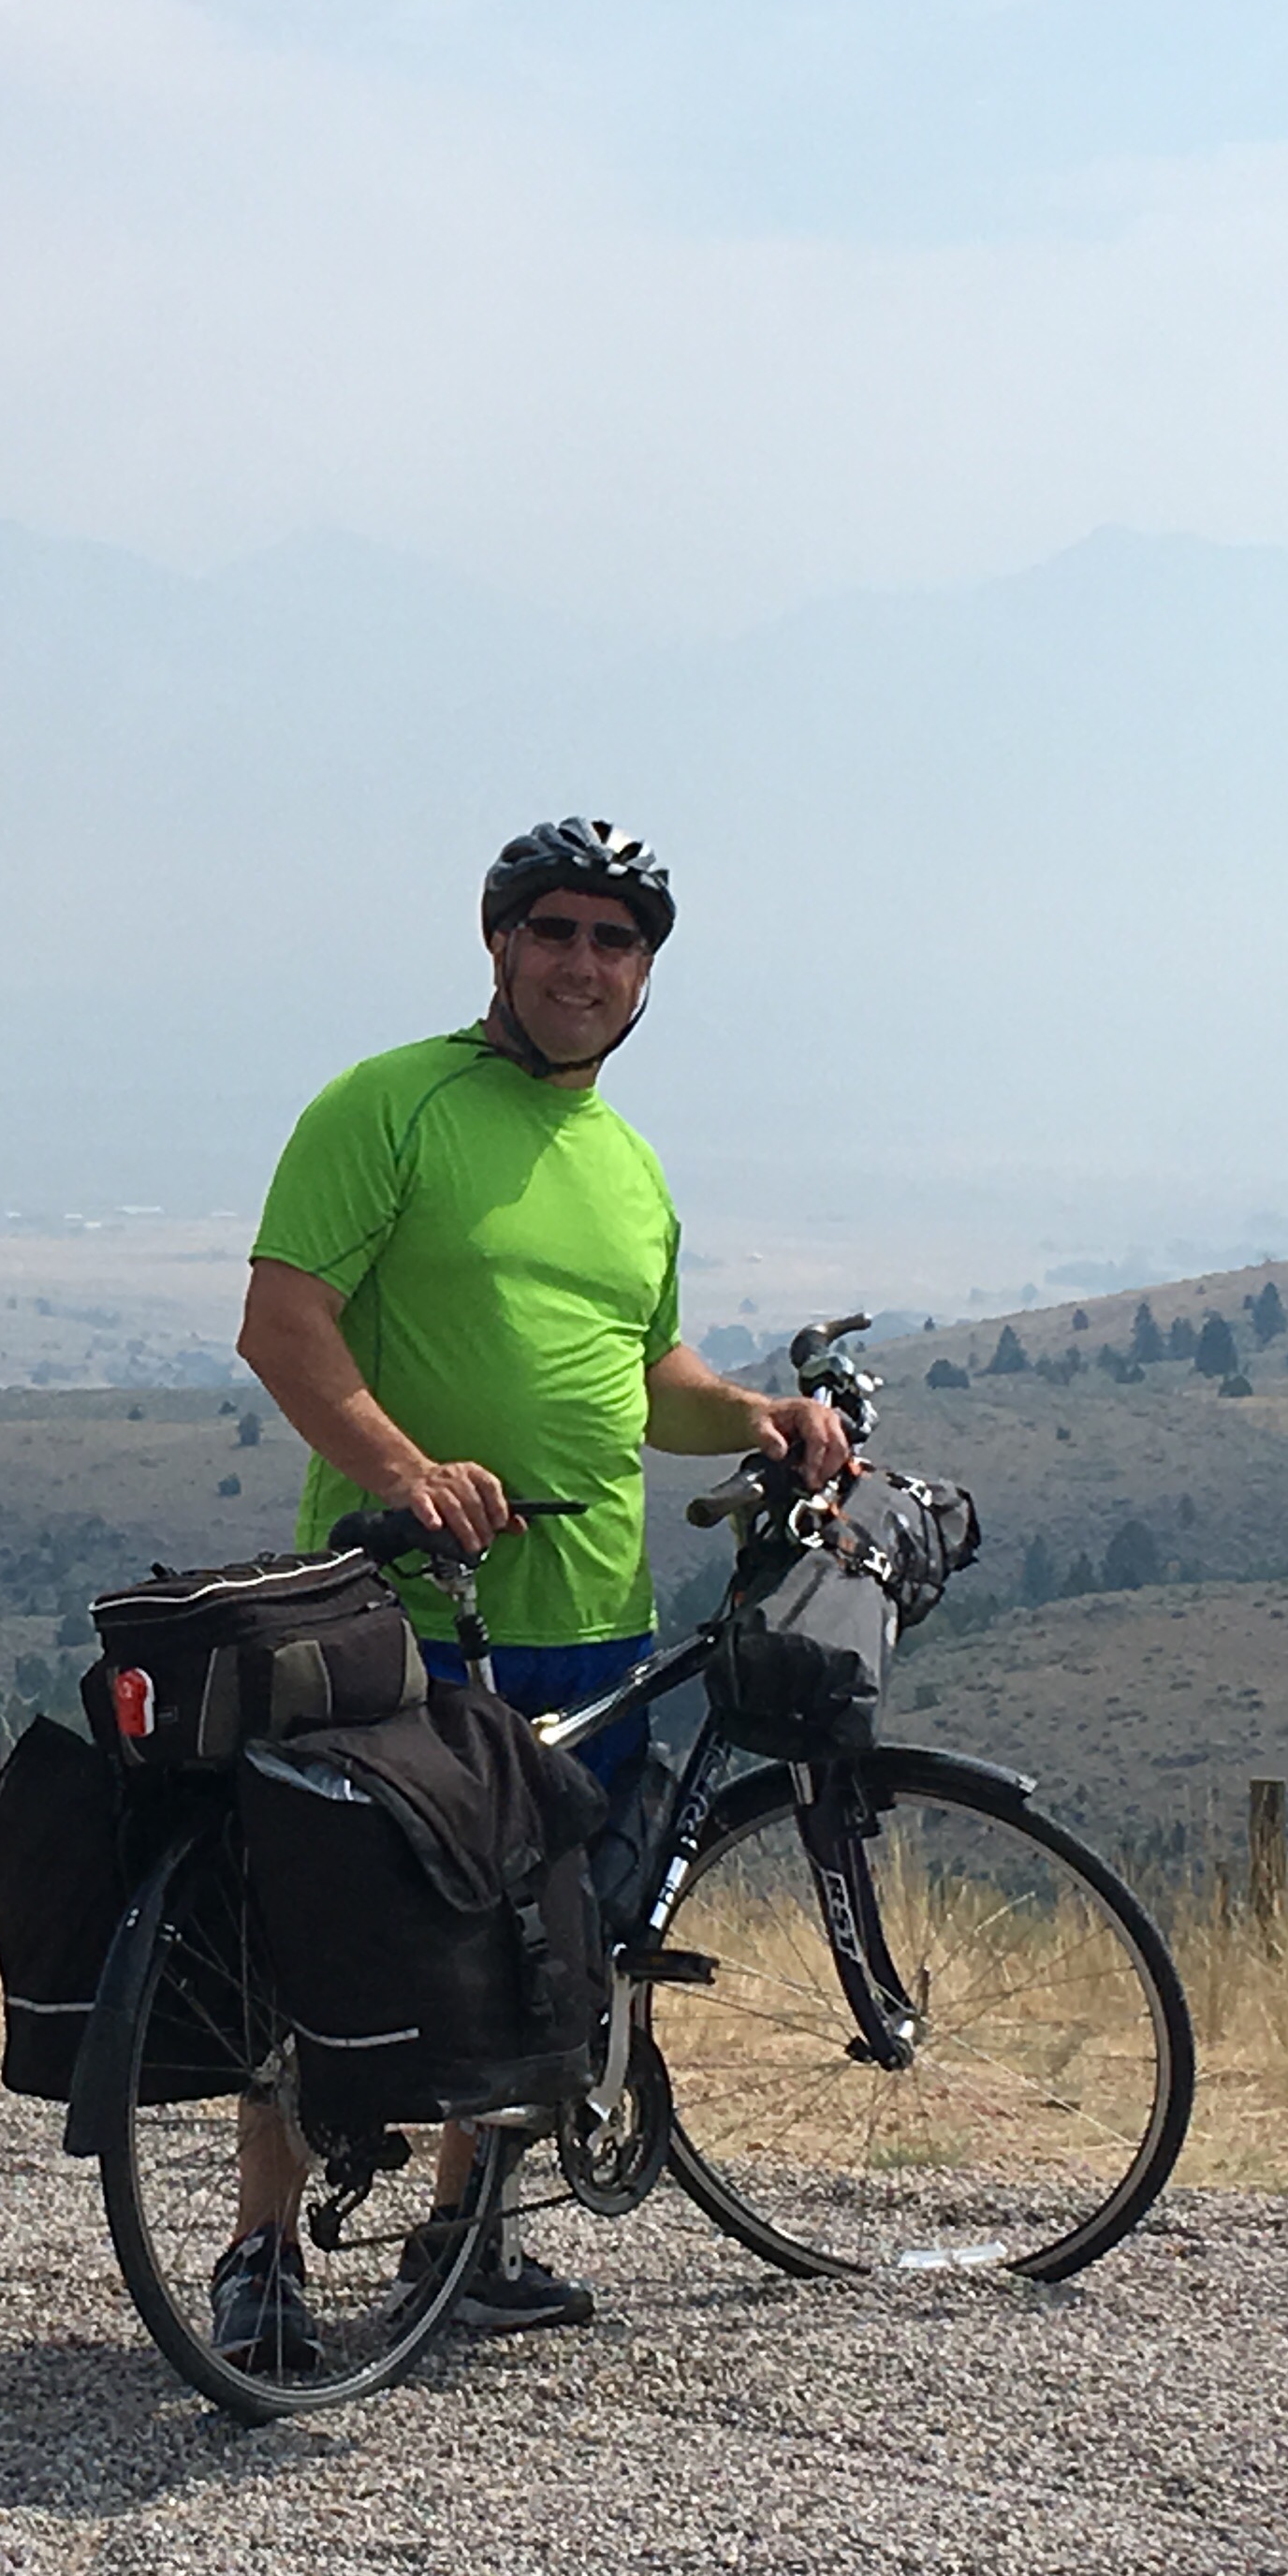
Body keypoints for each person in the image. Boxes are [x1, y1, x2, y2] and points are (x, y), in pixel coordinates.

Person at [213, 817, 854, 2369]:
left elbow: (648, 1375)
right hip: (405, 1607)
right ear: (499, 944)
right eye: (555, 930)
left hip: (590, 1615)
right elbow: (284, 1323)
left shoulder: (625, 1163)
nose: (584, 963)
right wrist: (403, 1471)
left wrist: (757, 1417)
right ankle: (260, 2252)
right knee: (325, 1935)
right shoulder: (390, 1104)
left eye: (615, 942)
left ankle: (466, 2238)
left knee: (539, 1941)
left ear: (645, 974)